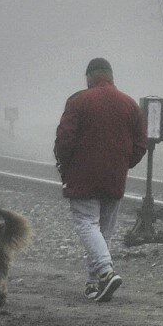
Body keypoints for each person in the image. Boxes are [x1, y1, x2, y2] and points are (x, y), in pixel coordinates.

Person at [53, 58, 148, 301]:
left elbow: (65, 139)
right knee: (102, 232)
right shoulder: (130, 105)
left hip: (83, 176)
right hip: (114, 178)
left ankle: (106, 272)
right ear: (111, 76)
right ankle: (93, 284)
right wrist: (123, 165)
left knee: (86, 224)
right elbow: (140, 145)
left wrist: (65, 165)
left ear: (89, 78)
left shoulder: (78, 101)